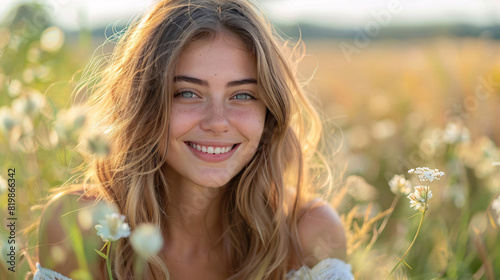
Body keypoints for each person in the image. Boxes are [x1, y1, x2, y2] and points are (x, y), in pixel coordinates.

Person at [36, 0, 353, 279]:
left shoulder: (309, 235)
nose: (217, 122)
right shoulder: (80, 226)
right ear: (144, 104)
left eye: (242, 95)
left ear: (269, 111)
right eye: (187, 93)